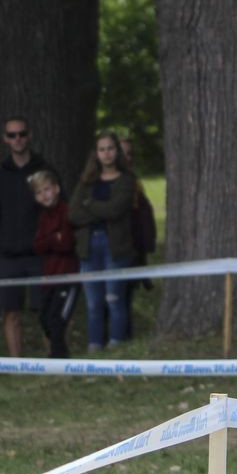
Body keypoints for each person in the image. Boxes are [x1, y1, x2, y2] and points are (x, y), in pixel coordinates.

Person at [0, 116, 50, 357]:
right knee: (10, 311)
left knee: (44, 309)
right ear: (5, 139)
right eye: (12, 135)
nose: (18, 139)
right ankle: (16, 363)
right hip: (9, 256)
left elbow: (55, 206)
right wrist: (1, 241)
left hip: (38, 254)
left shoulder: (43, 169)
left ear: (29, 135)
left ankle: (52, 359)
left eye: (22, 134)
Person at [68, 130, 136, 351]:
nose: (106, 154)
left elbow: (116, 210)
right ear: (96, 153)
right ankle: (94, 346)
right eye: (102, 149)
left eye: (110, 148)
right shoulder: (86, 182)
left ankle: (116, 345)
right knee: (93, 302)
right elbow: (73, 214)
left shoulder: (126, 180)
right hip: (89, 247)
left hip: (115, 247)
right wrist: (99, 210)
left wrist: (90, 205)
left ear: (117, 152)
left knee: (114, 298)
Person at [30, 170, 78, 358]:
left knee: (56, 320)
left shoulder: (67, 212)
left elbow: (66, 243)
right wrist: (53, 238)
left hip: (68, 275)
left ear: (56, 189)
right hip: (49, 276)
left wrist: (51, 240)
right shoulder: (43, 217)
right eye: (39, 192)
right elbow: (38, 245)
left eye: (47, 189)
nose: (44, 195)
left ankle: (60, 360)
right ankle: (57, 356)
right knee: (44, 318)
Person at [118, 135, 157, 340]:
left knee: (126, 295)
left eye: (130, 153)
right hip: (116, 247)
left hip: (133, 247)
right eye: (123, 153)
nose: (127, 158)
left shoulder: (135, 182)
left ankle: (125, 335)